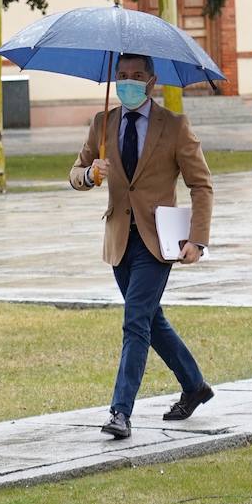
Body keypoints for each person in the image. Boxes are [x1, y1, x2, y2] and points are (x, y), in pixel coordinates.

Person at [69, 53, 214, 439]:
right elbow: (74, 174)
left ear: (151, 81)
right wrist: (89, 173)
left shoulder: (175, 126)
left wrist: (197, 239)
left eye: (136, 76)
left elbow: (201, 184)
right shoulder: (103, 123)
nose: (127, 82)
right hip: (119, 239)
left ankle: (120, 411)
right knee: (151, 319)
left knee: (135, 321)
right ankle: (195, 385)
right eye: (122, 75)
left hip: (158, 240)